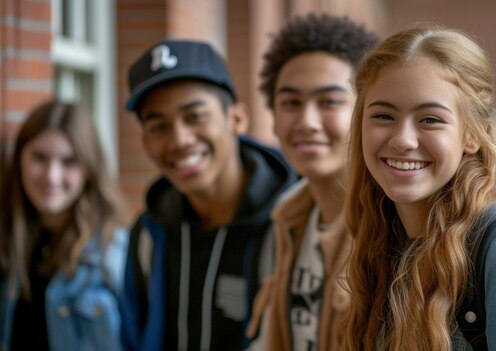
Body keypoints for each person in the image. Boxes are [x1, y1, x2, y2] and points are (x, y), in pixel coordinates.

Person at [340, 24, 496, 350]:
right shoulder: (382, 239)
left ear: (474, 135)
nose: (402, 139)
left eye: (430, 119)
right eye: (383, 116)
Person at [120, 39, 297, 351]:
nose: (179, 140)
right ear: (145, 142)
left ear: (237, 119)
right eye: (158, 126)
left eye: (195, 116)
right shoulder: (149, 235)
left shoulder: (294, 222)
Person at [245, 14, 379, 351]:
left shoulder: (392, 226)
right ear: (273, 118)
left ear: (366, 112)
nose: (307, 121)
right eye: (291, 102)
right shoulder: (285, 219)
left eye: (329, 101)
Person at [0, 100, 130, 351]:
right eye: (39, 157)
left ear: (90, 168)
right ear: (19, 159)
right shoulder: (8, 242)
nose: (52, 176)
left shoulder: (116, 252)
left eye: (69, 161)